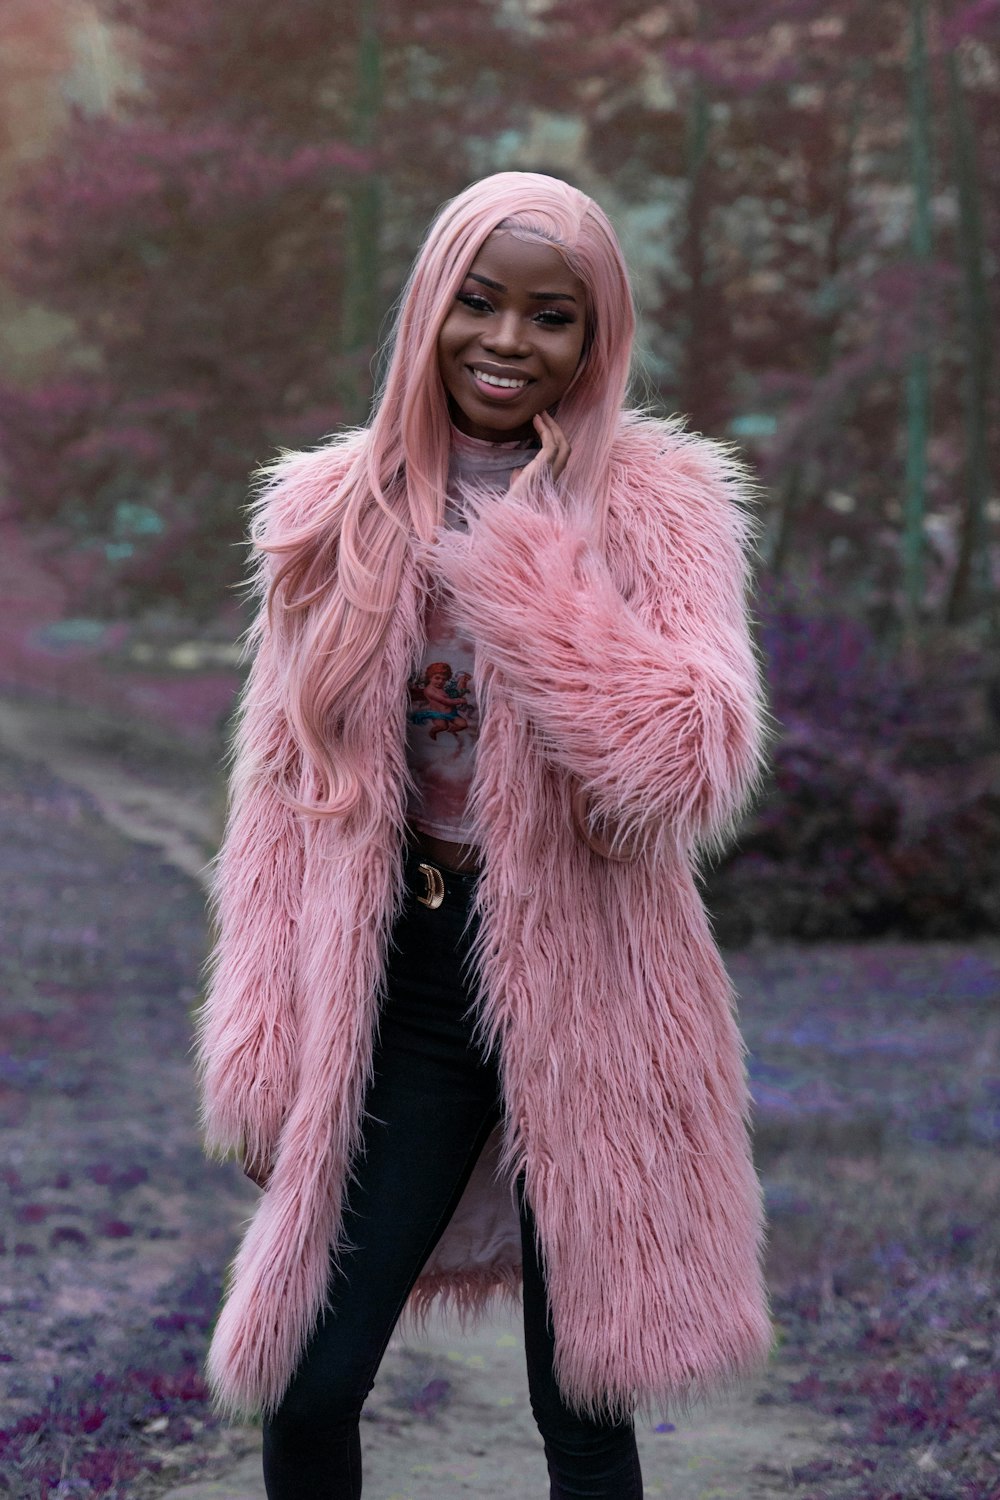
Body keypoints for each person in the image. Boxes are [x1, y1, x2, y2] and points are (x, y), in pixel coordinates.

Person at [194, 171, 773, 1500]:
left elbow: (690, 754)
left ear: (596, 336)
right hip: (396, 980)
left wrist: (532, 572)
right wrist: (260, 1041)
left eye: (553, 315)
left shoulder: (658, 505)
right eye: (480, 301)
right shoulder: (333, 508)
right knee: (312, 1376)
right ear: (431, 308)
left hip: (598, 988)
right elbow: (281, 801)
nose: (509, 342)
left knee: (582, 1399)